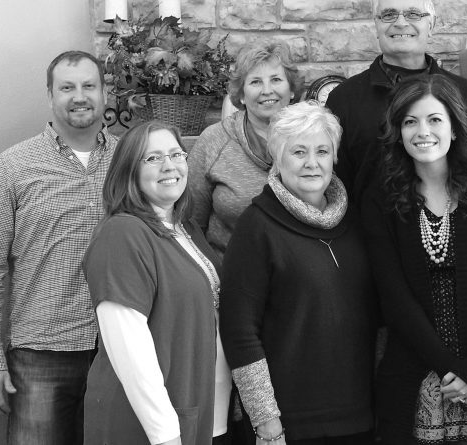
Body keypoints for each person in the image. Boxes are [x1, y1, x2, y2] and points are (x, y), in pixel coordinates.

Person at [361, 74, 467, 445]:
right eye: (410, 121)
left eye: (435, 119)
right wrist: (451, 370)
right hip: (413, 381)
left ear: (454, 127)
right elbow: (394, 301)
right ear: (398, 132)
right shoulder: (381, 199)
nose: (423, 132)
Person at [0, 50, 116, 444]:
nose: (79, 96)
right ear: (50, 96)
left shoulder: (130, 161)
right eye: (67, 87)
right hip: (40, 355)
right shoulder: (12, 167)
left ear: (105, 94)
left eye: (89, 86)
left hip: (120, 350)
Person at [219, 101, 377, 444]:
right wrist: (266, 421)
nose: (311, 163)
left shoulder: (356, 224)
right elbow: (239, 330)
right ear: (277, 158)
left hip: (360, 415)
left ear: (335, 157)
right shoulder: (256, 227)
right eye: (298, 152)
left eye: (322, 151)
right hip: (288, 423)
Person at [83, 121, 230, 445]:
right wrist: (165, 435)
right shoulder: (122, 234)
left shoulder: (185, 229)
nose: (169, 165)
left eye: (176, 154)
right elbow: (129, 345)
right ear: (128, 171)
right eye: (153, 158)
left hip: (200, 413)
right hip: (148, 426)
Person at [326, 0, 467, 204]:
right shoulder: (343, 99)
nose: (401, 23)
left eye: (413, 14)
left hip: (458, 221)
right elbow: (335, 181)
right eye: (389, 15)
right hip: (367, 223)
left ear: (431, 25)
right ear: (376, 25)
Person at [188, 40, 299, 260]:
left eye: (276, 79)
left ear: (292, 90)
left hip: (298, 271)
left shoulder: (311, 138)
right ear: (241, 94)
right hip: (229, 270)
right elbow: (191, 225)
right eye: (256, 82)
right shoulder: (214, 140)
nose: (267, 90)